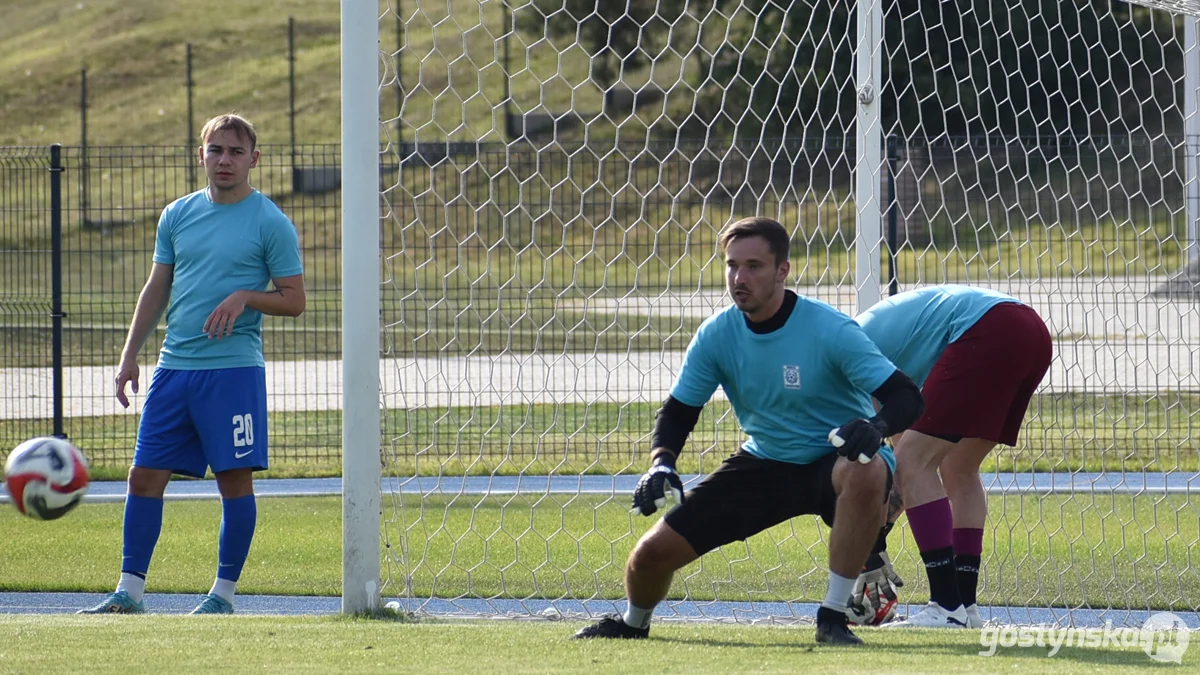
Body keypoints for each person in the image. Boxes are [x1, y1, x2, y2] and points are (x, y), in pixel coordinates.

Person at [571, 217, 925, 645]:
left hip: (833, 462)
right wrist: (660, 464)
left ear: (782, 271)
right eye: (732, 265)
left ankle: (832, 617)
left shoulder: (830, 330)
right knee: (647, 559)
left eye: (754, 266)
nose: (740, 278)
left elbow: (907, 397)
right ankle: (633, 623)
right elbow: (680, 411)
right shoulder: (717, 335)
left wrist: (876, 426)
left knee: (865, 466)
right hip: (765, 462)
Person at [79, 113, 305, 615]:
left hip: (232, 374)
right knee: (143, 477)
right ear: (200, 155)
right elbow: (157, 287)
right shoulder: (176, 214)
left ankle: (222, 596)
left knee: (234, 482)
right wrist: (129, 354)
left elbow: (294, 300)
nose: (225, 160)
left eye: (236, 152)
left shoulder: (270, 222)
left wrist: (245, 296)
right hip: (173, 369)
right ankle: (129, 593)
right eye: (216, 150)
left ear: (254, 159)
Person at [847, 285, 1052, 629]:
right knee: (959, 467)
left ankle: (946, 607)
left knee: (916, 462)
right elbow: (901, 462)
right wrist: (875, 538)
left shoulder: (843, 371)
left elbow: (895, 466)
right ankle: (965, 608)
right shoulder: (856, 349)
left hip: (988, 328)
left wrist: (869, 547)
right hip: (1028, 329)